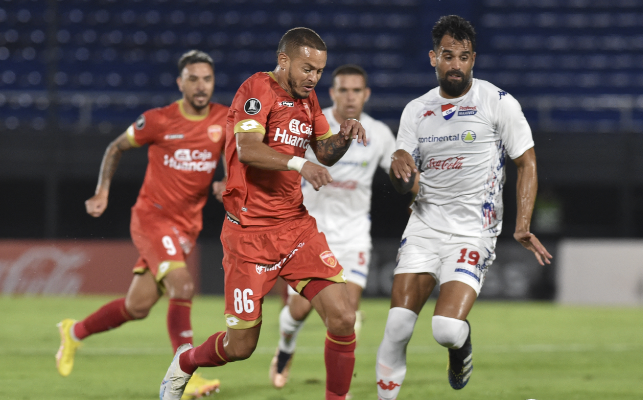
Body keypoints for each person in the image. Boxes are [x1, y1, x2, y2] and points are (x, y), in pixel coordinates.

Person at [158, 28, 367, 400]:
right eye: (307, 69)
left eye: (319, 71)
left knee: (343, 317)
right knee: (240, 347)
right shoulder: (257, 90)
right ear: (284, 60)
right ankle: (186, 363)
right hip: (249, 237)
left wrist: (345, 135)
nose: (313, 78)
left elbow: (324, 151)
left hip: (296, 228)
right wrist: (299, 164)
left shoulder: (308, 99)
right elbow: (249, 148)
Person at [375, 15, 553, 400]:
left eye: (464, 57)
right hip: (423, 226)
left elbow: (527, 161)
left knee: (446, 330)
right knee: (398, 326)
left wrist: (522, 224)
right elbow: (403, 168)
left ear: (474, 59)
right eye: (448, 55)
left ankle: (461, 345)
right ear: (432, 58)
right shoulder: (416, 110)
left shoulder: (498, 102)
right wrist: (399, 171)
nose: (456, 64)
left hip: (473, 230)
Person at [55, 50, 227, 399]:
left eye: (206, 79)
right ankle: (185, 374)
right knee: (183, 287)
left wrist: (227, 180)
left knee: (137, 306)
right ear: (180, 83)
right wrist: (101, 191)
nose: (200, 85)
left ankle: (73, 333)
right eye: (192, 78)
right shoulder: (159, 120)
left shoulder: (224, 119)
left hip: (186, 226)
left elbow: (236, 154)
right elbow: (116, 147)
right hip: (153, 218)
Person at [269, 64, 397, 389]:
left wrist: (410, 178)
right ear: (332, 92)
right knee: (297, 311)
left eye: (356, 90)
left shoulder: (379, 133)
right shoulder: (310, 123)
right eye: (343, 89)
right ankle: (285, 349)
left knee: (346, 315)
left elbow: (398, 172)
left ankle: (340, 388)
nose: (350, 96)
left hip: (354, 236)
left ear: (366, 94)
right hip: (310, 232)